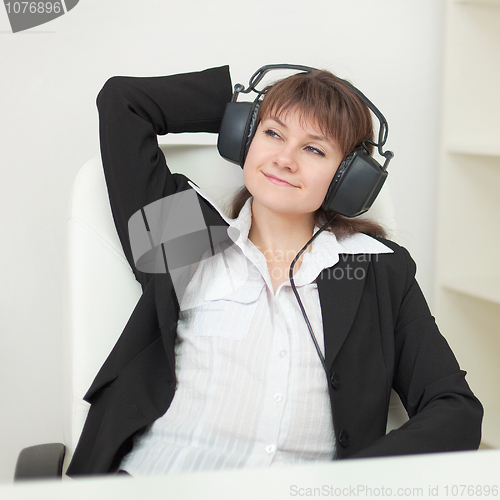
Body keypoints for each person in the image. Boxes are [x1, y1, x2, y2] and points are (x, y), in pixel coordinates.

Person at [66, 65, 483, 477]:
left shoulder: (378, 272)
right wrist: (240, 112)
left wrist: (353, 484)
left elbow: (456, 410)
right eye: (272, 133)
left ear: (347, 179)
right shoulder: (184, 235)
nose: (284, 159)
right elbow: (124, 102)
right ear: (245, 137)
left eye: (314, 149)